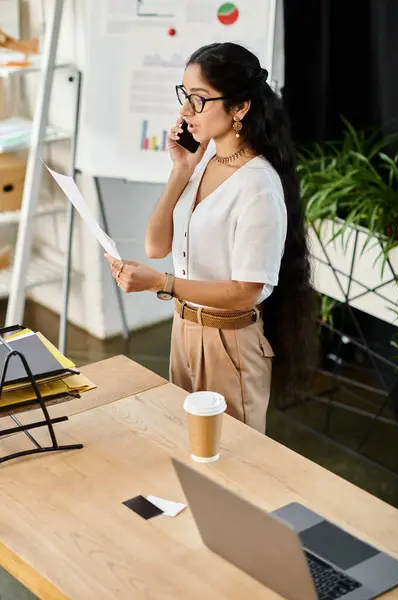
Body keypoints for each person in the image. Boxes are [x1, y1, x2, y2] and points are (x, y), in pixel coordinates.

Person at [106, 42, 317, 434]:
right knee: (184, 447)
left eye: (199, 100)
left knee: (230, 462)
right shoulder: (202, 163)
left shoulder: (258, 185)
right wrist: (180, 170)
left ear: (239, 108)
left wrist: (161, 283)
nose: (185, 111)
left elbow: (245, 292)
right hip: (185, 330)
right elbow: (156, 245)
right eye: (185, 96)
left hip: (229, 341)